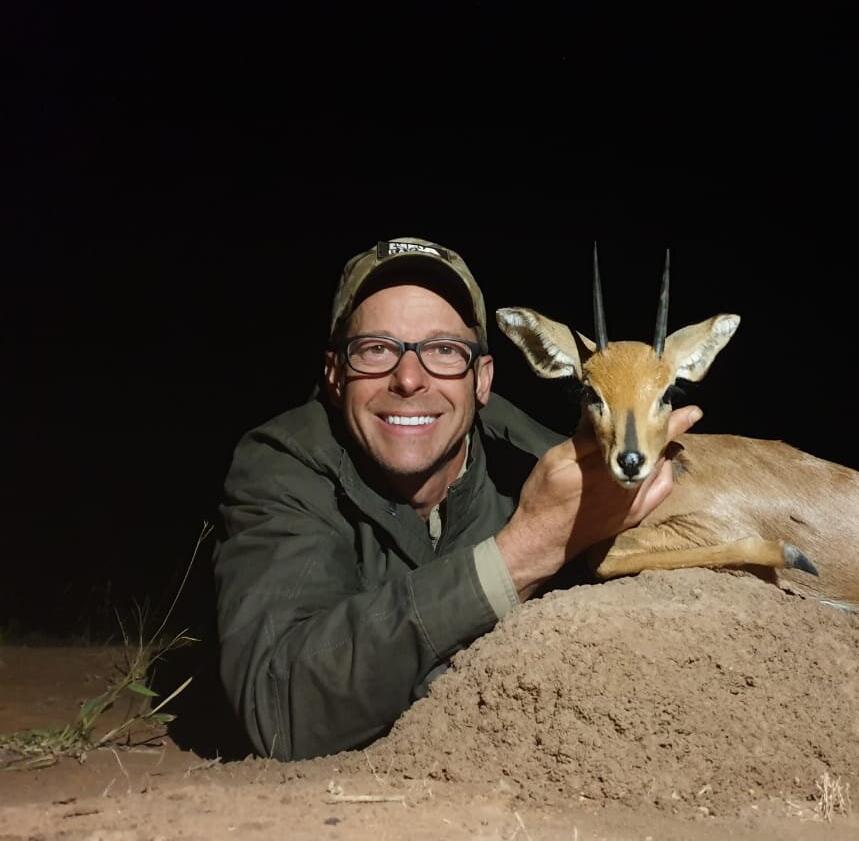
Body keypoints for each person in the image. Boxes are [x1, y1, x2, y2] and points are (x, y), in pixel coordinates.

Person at [213, 237, 702, 761]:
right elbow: (280, 710)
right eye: (376, 348)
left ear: (483, 379)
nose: (408, 378)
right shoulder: (282, 466)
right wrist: (519, 555)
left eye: (444, 350)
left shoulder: (540, 465)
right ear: (335, 376)